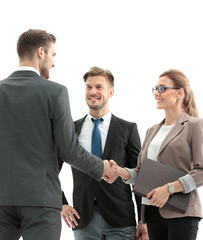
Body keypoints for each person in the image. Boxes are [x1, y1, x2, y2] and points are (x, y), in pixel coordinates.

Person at [0, 30, 118, 240]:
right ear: (41, 52)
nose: (53, 63)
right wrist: (101, 167)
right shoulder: (55, 92)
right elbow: (69, 150)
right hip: (40, 200)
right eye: (53, 55)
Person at [60, 66, 147, 240]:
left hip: (121, 219)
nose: (93, 92)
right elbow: (50, 168)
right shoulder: (71, 129)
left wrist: (143, 220)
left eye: (99, 87)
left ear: (111, 92)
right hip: (83, 218)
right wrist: (61, 203)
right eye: (88, 87)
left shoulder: (127, 129)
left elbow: (140, 176)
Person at [116, 69, 203, 240]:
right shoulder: (152, 131)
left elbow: (202, 170)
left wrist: (169, 189)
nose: (157, 93)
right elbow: (142, 173)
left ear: (180, 93)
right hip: (152, 211)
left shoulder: (194, 125)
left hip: (182, 212)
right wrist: (120, 172)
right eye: (155, 89)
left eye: (162, 88)